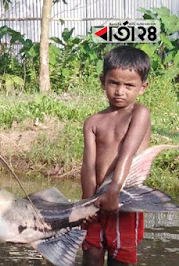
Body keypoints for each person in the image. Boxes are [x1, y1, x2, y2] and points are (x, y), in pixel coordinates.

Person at [80, 46, 151, 266]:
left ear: (142, 87)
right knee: (91, 253)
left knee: (120, 258)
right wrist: (87, 202)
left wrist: (114, 191)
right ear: (103, 81)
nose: (120, 91)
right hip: (96, 202)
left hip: (125, 199)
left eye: (129, 85)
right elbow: (88, 166)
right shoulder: (93, 122)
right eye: (114, 83)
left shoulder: (139, 114)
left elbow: (127, 154)